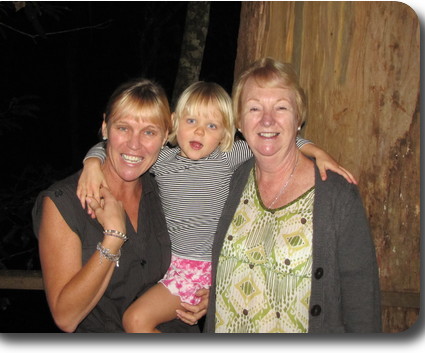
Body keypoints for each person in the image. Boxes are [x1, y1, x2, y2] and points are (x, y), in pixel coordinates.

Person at [77, 81, 357, 333]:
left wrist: (317, 152)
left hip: (205, 267)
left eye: (212, 126)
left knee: (135, 321)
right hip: (172, 266)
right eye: (191, 120)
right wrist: (91, 163)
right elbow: (109, 145)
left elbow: (278, 141)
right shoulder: (162, 159)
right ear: (174, 123)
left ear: (226, 132)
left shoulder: (227, 156)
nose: (199, 130)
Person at [203, 57, 381, 333]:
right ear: (239, 120)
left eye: (281, 107)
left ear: (299, 118)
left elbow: (361, 303)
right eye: (254, 108)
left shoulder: (337, 194)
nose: (267, 119)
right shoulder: (237, 177)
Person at [32, 78, 207, 333]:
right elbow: (65, 317)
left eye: (149, 132)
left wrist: (205, 293)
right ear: (105, 127)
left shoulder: (169, 190)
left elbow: (201, 249)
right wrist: (113, 237)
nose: (134, 144)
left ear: (165, 135)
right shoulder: (63, 203)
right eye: (123, 128)